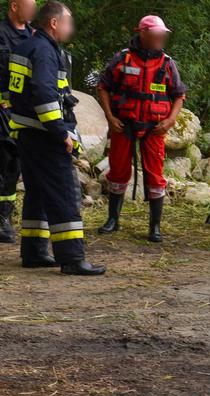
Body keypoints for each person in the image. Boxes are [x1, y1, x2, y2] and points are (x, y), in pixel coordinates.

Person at [8, 1, 103, 274]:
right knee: (64, 192)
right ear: (53, 23)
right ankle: (73, 258)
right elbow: (44, 94)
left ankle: (35, 252)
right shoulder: (45, 51)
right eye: (68, 22)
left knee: (37, 192)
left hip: (27, 133)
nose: (70, 28)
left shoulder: (26, 46)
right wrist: (61, 133)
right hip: (45, 134)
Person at [96, 15, 186, 243]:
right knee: (117, 172)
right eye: (157, 34)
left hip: (154, 128)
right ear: (143, 33)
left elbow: (179, 95)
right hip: (123, 125)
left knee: (156, 176)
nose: (161, 38)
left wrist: (170, 120)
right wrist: (109, 116)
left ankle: (155, 227)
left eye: (162, 35)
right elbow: (103, 86)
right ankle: (113, 220)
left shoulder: (167, 63)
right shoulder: (123, 58)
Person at [0, 0, 36, 244]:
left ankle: (6, 215)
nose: (33, 10)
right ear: (14, 6)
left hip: (24, 111)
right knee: (3, 160)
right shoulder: (1, 33)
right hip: (1, 108)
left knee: (15, 164)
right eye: (29, 5)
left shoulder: (36, 35)